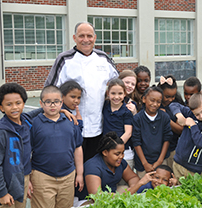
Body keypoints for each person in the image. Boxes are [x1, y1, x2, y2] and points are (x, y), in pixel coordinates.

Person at [44, 21, 118, 163]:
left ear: (95, 38)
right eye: (81, 36)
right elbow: (49, 90)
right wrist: (60, 111)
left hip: (99, 126)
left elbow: (118, 84)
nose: (86, 40)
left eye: (89, 36)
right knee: (72, 166)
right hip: (71, 125)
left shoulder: (103, 58)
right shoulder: (64, 59)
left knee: (93, 167)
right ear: (74, 38)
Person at [30, 85, 84, 208]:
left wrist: (79, 173)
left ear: (62, 102)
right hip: (42, 176)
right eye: (48, 102)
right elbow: (27, 152)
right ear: (41, 103)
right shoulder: (34, 123)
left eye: (56, 102)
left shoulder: (71, 121)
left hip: (68, 176)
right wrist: (28, 178)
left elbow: (78, 148)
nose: (52, 105)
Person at [0, 83, 38, 208]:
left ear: (23, 104)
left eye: (18, 103)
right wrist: (2, 193)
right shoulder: (1, 132)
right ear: (1, 108)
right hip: (5, 183)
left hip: (22, 179)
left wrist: (62, 110)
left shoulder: (25, 120)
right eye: (9, 104)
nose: (14, 107)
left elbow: (38, 111)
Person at [169, 92, 202, 179]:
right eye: (197, 114)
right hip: (177, 163)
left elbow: (201, 143)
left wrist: (193, 125)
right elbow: (173, 105)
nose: (201, 116)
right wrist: (179, 116)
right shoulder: (191, 114)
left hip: (194, 169)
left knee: (193, 191)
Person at [131, 86, 172, 178]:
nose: (155, 104)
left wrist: (159, 161)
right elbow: (136, 141)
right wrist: (145, 163)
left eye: (158, 102)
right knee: (144, 188)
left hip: (161, 160)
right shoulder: (137, 118)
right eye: (152, 100)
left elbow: (167, 139)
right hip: (143, 164)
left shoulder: (164, 117)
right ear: (144, 99)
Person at [102, 79, 134, 169]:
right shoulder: (105, 106)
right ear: (108, 93)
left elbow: (128, 133)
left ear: (124, 94)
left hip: (124, 152)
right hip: (108, 151)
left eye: (120, 93)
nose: (116, 97)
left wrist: (116, 147)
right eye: (113, 93)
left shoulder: (126, 111)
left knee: (124, 179)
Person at [157, 75, 184, 170]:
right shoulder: (154, 106)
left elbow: (181, 130)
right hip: (157, 150)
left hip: (173, 149)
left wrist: (167, 119)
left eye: (173, 96)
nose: (170, 99)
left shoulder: (176, 106)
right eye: (167, 96)